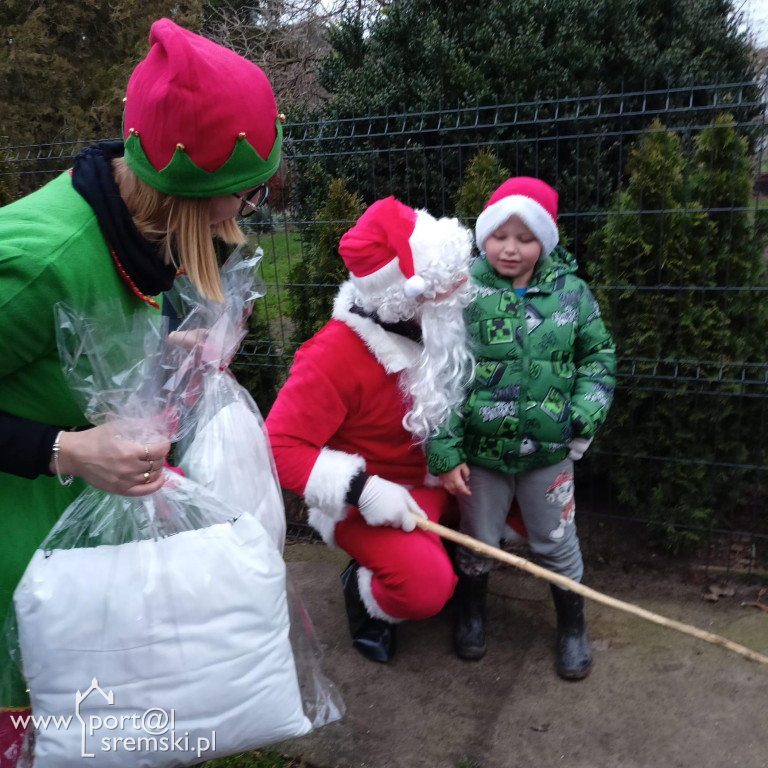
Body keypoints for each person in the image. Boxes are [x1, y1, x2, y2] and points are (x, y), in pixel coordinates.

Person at [0, 18, 282, 764]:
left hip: (74, 559)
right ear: (193, 191)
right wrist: (63, 449)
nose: (246, 214)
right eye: (244, 197)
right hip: (16, 551)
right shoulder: (41, 260)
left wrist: (162, 355)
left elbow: (66, 359)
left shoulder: (135, 227)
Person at [265, 197, 476, 663]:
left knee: (525, 507)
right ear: (405, 298)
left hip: (442, 478)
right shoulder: (332, 356)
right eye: (445, 292)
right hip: (375, 500)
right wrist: (361, 489)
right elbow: (278, 445)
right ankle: (365, 599)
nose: (461, 297)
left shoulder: (433, 322)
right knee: (427, 588)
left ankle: (437, 548)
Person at [426, 177, 616, 680]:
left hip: (548, 455)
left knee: (556, 540)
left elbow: (598, 356)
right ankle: (471, 612)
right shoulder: (462, 294)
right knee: (478, 537)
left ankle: (572, 625)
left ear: (545, 242)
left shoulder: (572, 294)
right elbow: (439, 374)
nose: (511, 248)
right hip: (481, 455)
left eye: (526, 238)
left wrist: (582, 414)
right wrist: (443, 449)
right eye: (500, 235)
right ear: (484, 236)